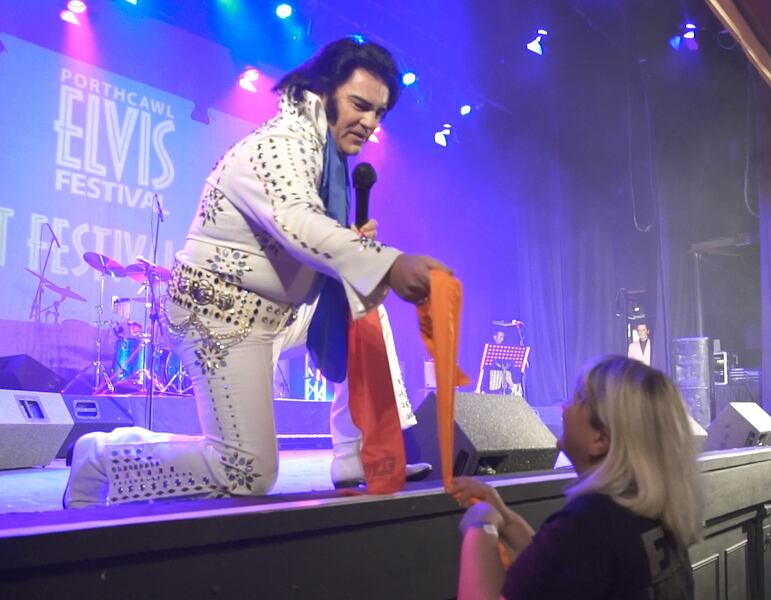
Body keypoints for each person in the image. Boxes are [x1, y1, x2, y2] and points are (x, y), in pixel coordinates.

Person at [63, 38, 444, 508]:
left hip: (277, 316)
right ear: (323, 91)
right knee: (246, 472)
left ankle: (356, 454)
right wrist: (387, 261)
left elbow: (309, 240)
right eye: (360, 105)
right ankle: (102, 455)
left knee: (364, 308)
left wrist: (355, 248)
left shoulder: (323, 157)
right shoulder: (281, 145)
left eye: (379, 113)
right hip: (219, 317)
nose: (370, 122)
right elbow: (298, 224)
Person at [450, 356, 703, 599]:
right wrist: (504, 517)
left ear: (600, 439)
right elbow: (557, 572)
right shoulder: (646, 511)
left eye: (578, 398)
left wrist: (480, 525)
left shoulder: (588, 522)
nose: (564, 407)